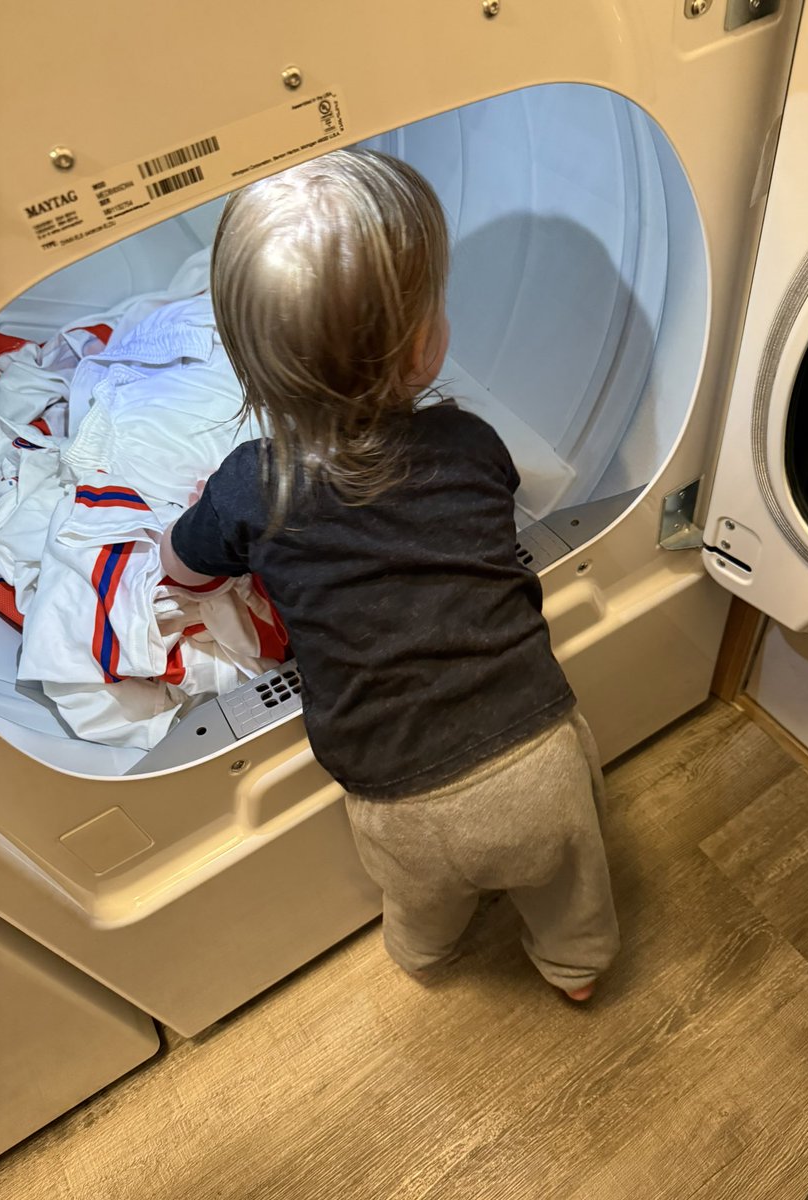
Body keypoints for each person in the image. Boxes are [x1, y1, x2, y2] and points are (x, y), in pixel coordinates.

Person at [160, 149, 619, 1001]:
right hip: (541, 751)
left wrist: (202, 562)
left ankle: (424, 954)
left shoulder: (251, 483)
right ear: (422, 348)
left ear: (246, 364)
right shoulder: (473, 443)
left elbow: (181, 568)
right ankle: (577, 965)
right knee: (570, 883)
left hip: (397, 793)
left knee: (422, 898)